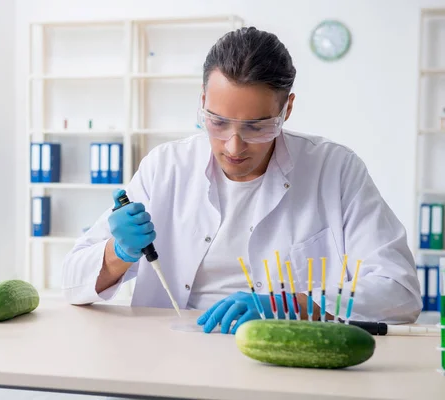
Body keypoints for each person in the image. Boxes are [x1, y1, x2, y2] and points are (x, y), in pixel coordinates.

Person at [61, 26, 422, 334]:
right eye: (217, 122)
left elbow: (399, 290)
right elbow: (72, 280)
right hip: (170, 353)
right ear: (202, 102)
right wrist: (118, 254)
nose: (234, 146)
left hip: (285, 358)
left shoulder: (336, 170)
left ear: (287, 110)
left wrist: (294, 306)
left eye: (256, 127)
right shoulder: (165, 167)